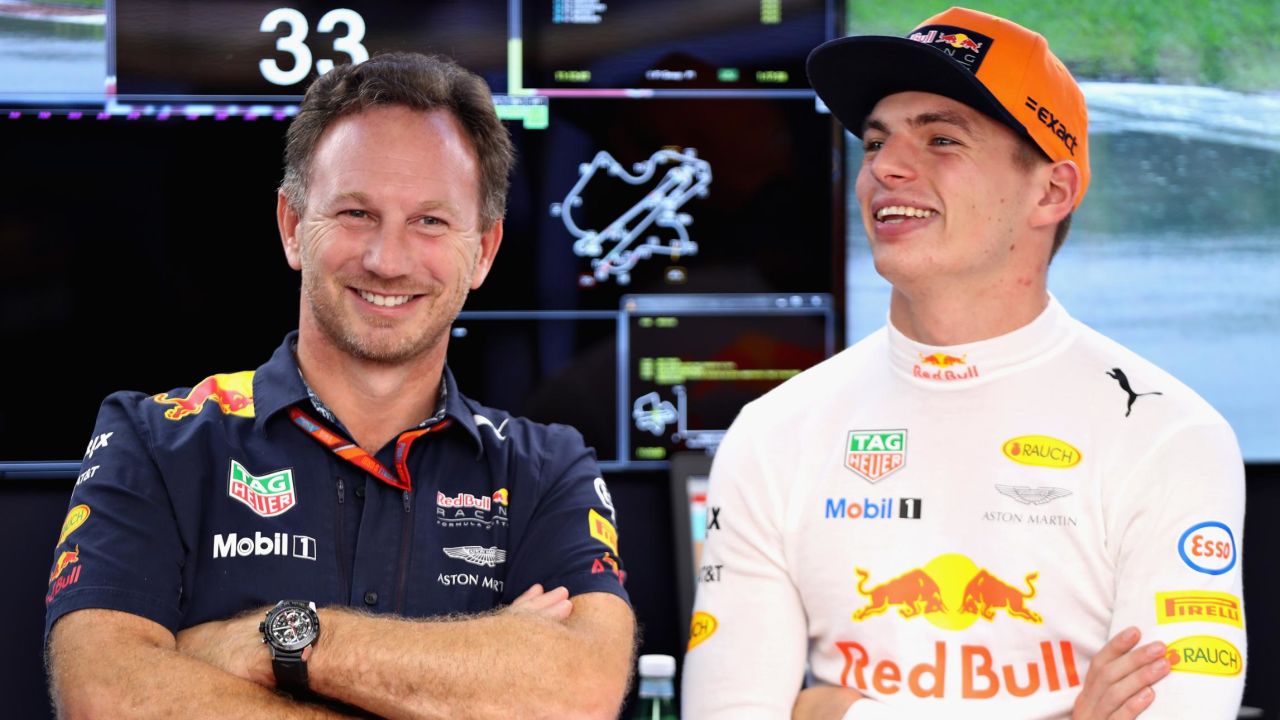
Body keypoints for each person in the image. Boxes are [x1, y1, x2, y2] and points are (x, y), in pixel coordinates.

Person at [682, 7, 1246, 719]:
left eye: (941, 139)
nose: (884, 167)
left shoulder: (1170, 434)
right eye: (876, 142)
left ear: (1053, 192)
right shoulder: (773, 431)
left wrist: (832, 711)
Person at [45, 52, 635, 718]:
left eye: (431, 221)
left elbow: (578, 692)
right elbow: (106, 696)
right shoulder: (153, 441)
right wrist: (478, 672)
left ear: (486, 251)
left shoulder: (546, 469)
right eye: (355, 213)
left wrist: (275, 642)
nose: (388, 260)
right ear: (293, 227)